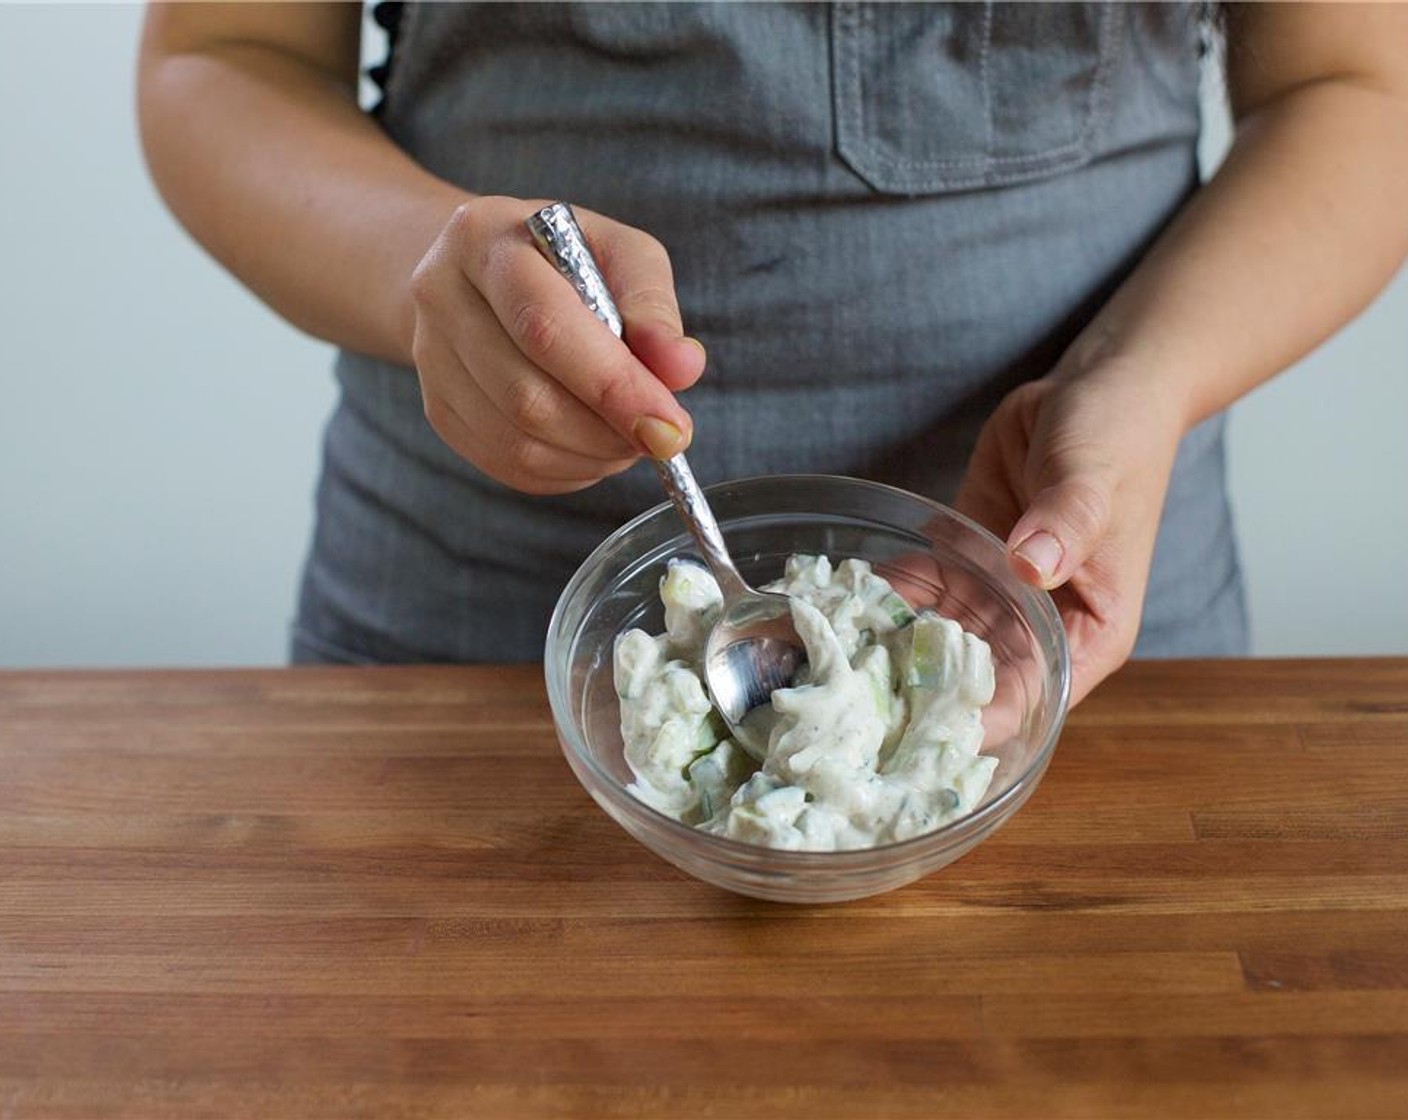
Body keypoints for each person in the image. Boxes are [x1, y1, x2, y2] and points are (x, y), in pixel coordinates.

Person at [136, 3, 1408, 704]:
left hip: (1070, 607)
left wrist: (1140, 379)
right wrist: (425, 272)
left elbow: (1356, 86)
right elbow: (221, 56)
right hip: (468, 635)